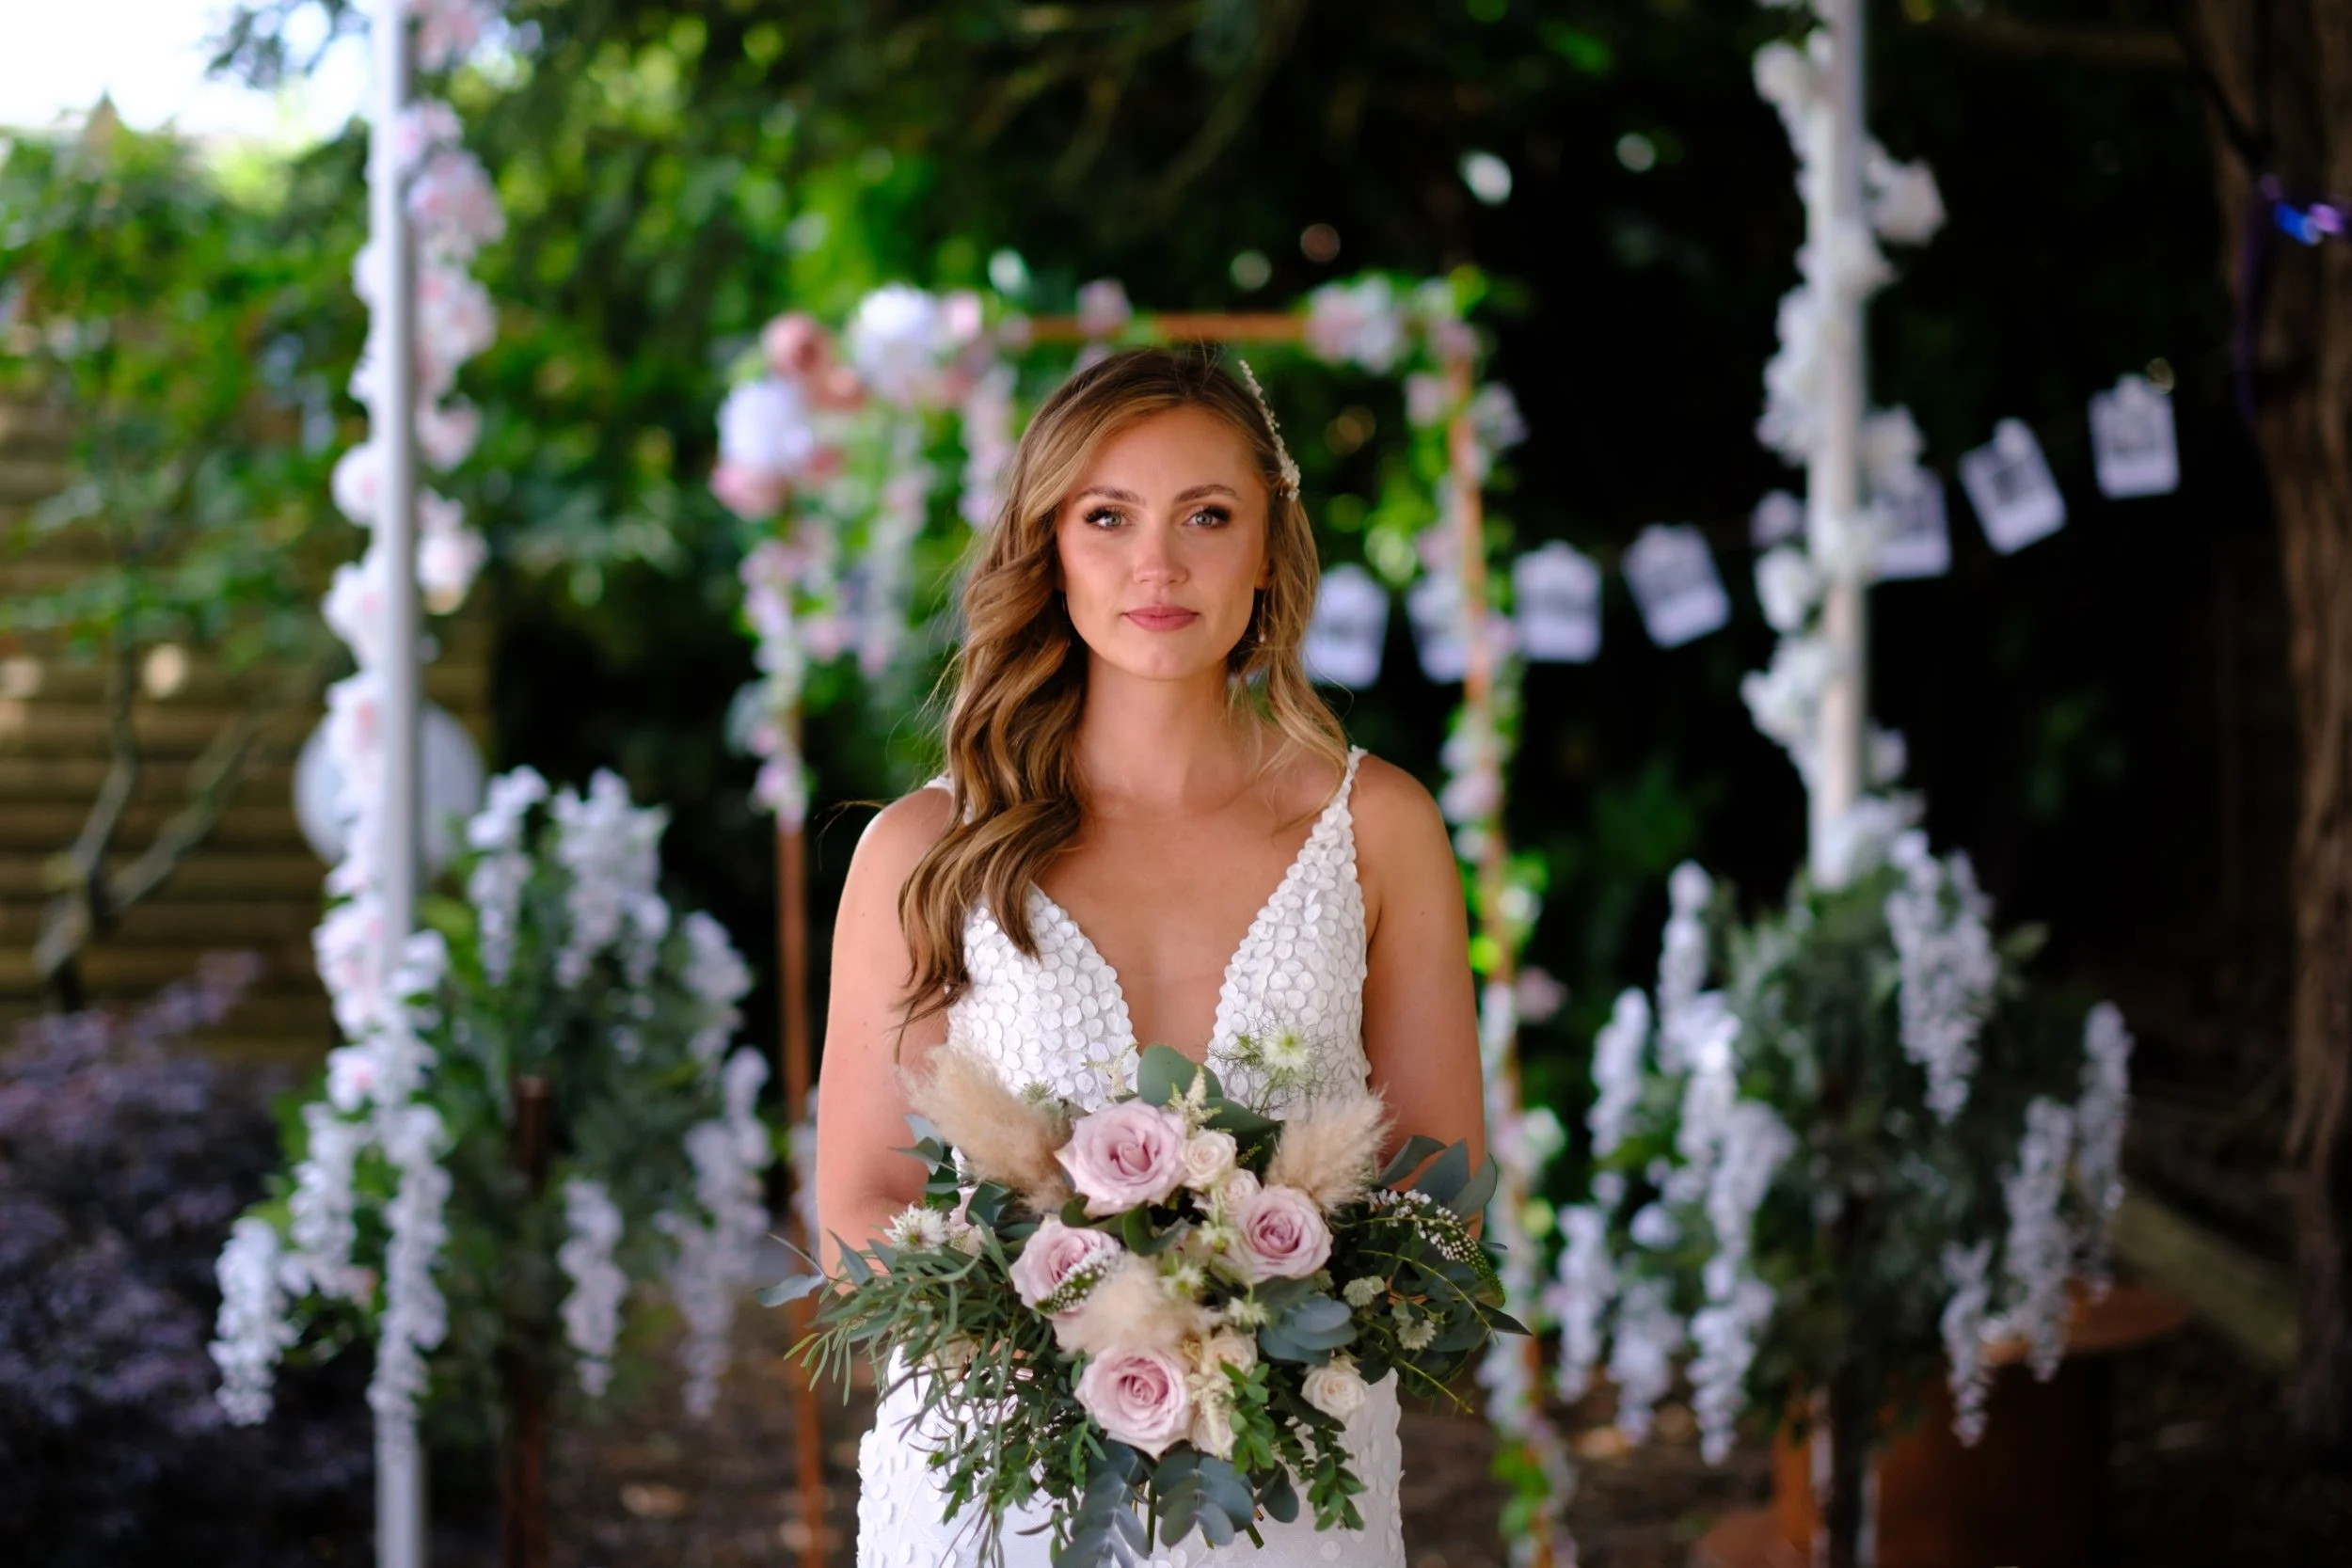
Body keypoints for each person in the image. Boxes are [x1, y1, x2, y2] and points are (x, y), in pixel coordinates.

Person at [817, 345, 1485, 1567]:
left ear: (1268, 546)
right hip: (1002, 1486)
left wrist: (1248, 1313)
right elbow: (860, 1195)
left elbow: (1443, 1199)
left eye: (1208, 515)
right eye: (1108, 516)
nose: (1158, 564)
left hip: (1286, 1496)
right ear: (1048, 543)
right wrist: (1065, 1328)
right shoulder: (929, 846)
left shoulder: (1378, 827)